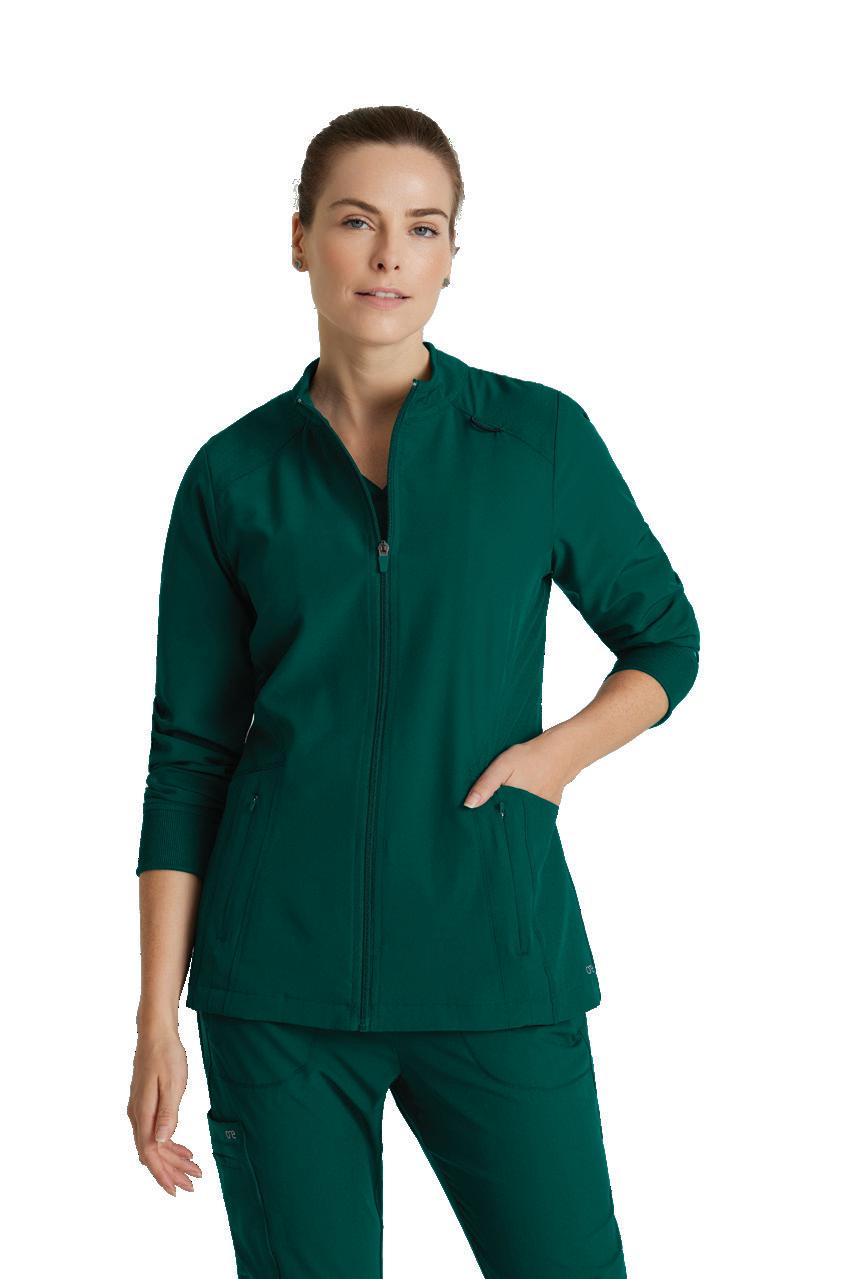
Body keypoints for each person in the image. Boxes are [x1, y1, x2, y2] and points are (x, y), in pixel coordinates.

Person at [127, 104, 700, 1278]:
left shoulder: (535, 439)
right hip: (274, 984)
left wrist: (554, 756)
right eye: (355, 221)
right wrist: (154, 1014)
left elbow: (663, 639)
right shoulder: (231, 476)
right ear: (299, 238)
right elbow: (188, 754)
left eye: (422, 227)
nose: (388, 254)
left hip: (493, 958)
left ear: (450, 254)